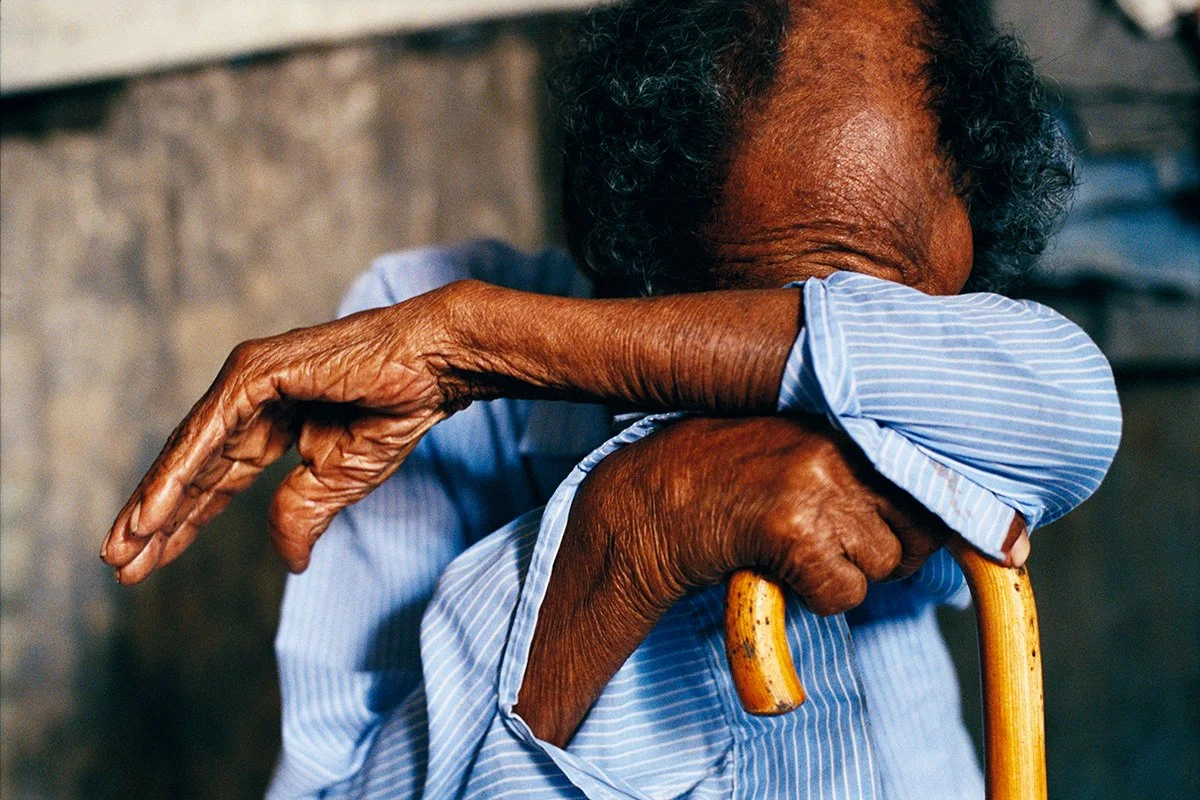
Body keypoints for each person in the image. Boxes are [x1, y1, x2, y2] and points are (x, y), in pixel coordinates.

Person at [101, 1, 1121, 797]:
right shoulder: (394, 340)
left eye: (910, 327)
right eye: (756, 312)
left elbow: (1071, 405)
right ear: (631, 261)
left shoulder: (443, 336)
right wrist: (629, 528)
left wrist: (483, 338)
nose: (840, 427)